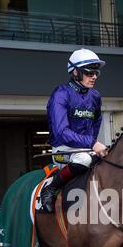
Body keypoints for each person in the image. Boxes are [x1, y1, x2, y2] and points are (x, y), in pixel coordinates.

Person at [41, 48, 107, 213]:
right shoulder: (60, 94)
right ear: (75, 72)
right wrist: (92, 143)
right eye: (89, 72)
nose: (94, 76)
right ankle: (50, 189)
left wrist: (92, 144)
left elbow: (96, 121)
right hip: (62, 150)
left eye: (96, 72)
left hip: (86, 148)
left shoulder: (95, 96)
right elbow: (61, 132)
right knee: (84, 160)